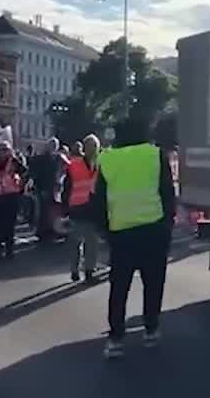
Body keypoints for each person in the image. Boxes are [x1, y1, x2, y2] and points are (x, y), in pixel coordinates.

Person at [94, 118, 177, 359]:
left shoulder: (107, 158)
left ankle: (115, 338)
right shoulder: (155, 155)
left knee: (119, 287)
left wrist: (105, 231)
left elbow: (100, 199)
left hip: (121, 232)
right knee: (153, 283)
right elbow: (167, 192)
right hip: (153, 229)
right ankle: (151, 329)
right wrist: (167, 224)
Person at [63, 136, 102, 283]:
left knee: (92, 242)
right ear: (84, 148)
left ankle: (89, 271)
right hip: (77, 208)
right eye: (90, 146)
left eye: (94, 146)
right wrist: (65, 209)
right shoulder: (74, 165)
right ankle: (74, 270)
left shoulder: (101, 164)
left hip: (93, 209)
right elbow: (67, 187)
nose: (92, 149)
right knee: (75, 242)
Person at [0, 143, 28, 260]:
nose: (4, 152)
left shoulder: (14, 162)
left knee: (10, 224)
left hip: (11, 195)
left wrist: (21, 186)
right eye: (2, 150)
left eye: (6, 150)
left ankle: (9, 248)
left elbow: (25, 172)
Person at [28, 138, 65, 243]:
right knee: (43, 210)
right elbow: (35, 172)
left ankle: (52, 230)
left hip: (55, 187)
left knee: (54, 211)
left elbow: (64, 169)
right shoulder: (41, 158)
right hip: (44, 187)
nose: (53, 147)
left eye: (55, 145)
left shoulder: (59, 158)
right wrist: (35, 184)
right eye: (51, 145)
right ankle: (42, 232)